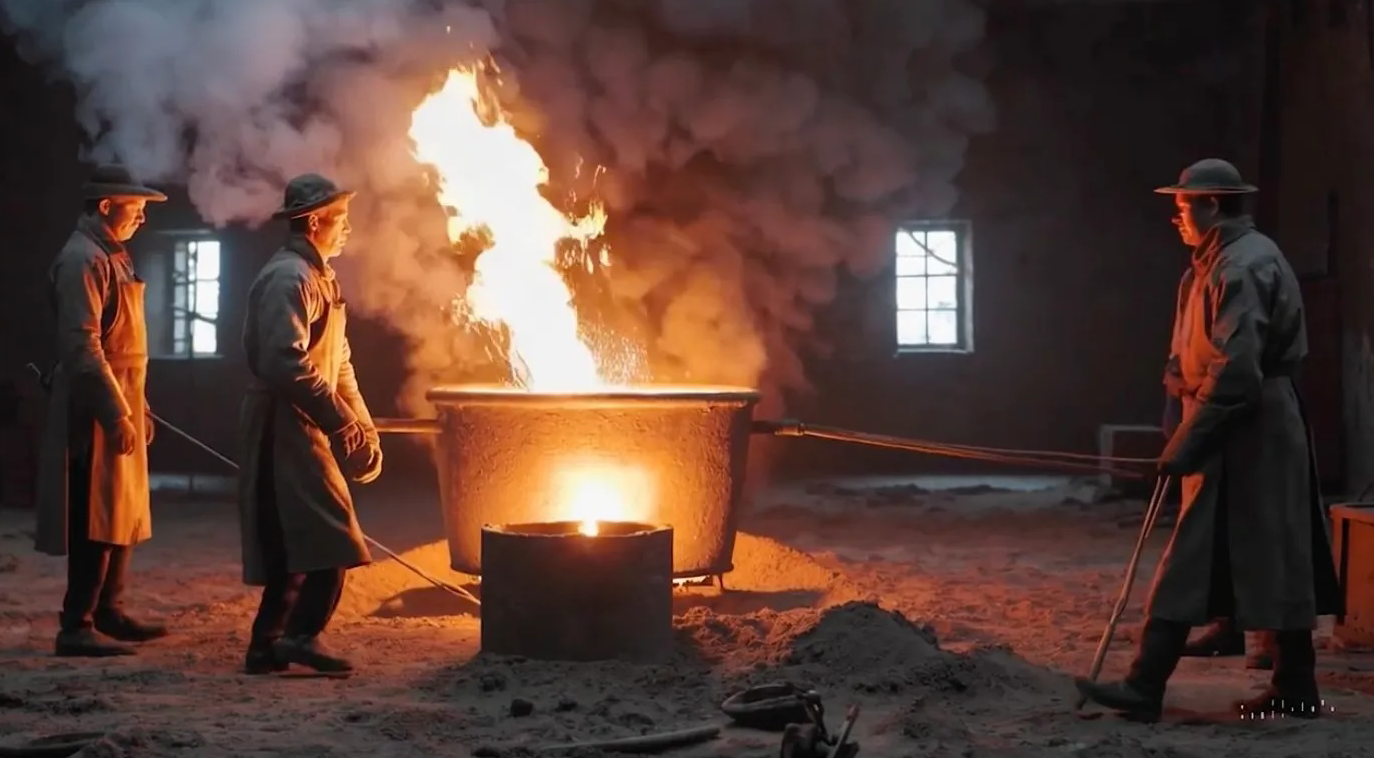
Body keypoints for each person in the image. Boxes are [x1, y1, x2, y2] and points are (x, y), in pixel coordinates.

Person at [1075, 158, 1342, 721]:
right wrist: (1178, 384)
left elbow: (1237, 371)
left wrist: (1189, 441)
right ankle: (1294, 684)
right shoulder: (1214, 263)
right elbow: (1194, 347)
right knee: (1271, 552)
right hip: (1235, 422)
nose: (1178, 218)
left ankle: (1145, 685)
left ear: (1212, 206)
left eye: (1183, 207)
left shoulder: (1241, 267)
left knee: (1196, 556)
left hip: (1249, 427)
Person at [237, 173, 383, 675]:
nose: (347, 230)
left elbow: (338, 361)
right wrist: (339, 421)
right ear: (315, 220)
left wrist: (360, 424)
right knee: (330, 534)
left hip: (307, 417)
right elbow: (284, 362)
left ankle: (266, 645)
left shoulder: (320, 277)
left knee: (293, 537)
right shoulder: (289, 278)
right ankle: (300, 636)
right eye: (340, 220)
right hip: (285, 421)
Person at [33, 164, 169, 657]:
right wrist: (114, 412)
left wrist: (140, 405)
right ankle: (77, 623)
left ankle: (110, 609)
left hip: (123, 392)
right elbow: (84, 346)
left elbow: (126, 345)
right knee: (96, 511)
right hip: (94, 400)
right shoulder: (82, 260)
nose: (141, 219)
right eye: (135, 209)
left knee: (122, 510)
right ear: (107, 207)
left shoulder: (111, 255)